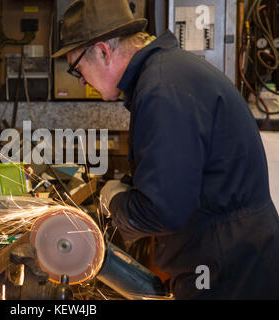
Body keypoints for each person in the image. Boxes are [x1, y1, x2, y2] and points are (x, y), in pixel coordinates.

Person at [52, 0, 279, 299]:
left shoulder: (161, 89)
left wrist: (116, 202)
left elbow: (163, 211)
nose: (81, 80)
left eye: (76, 68)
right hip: (231, 254)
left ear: (103, 51)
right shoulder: (167, 74)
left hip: (226, 267)